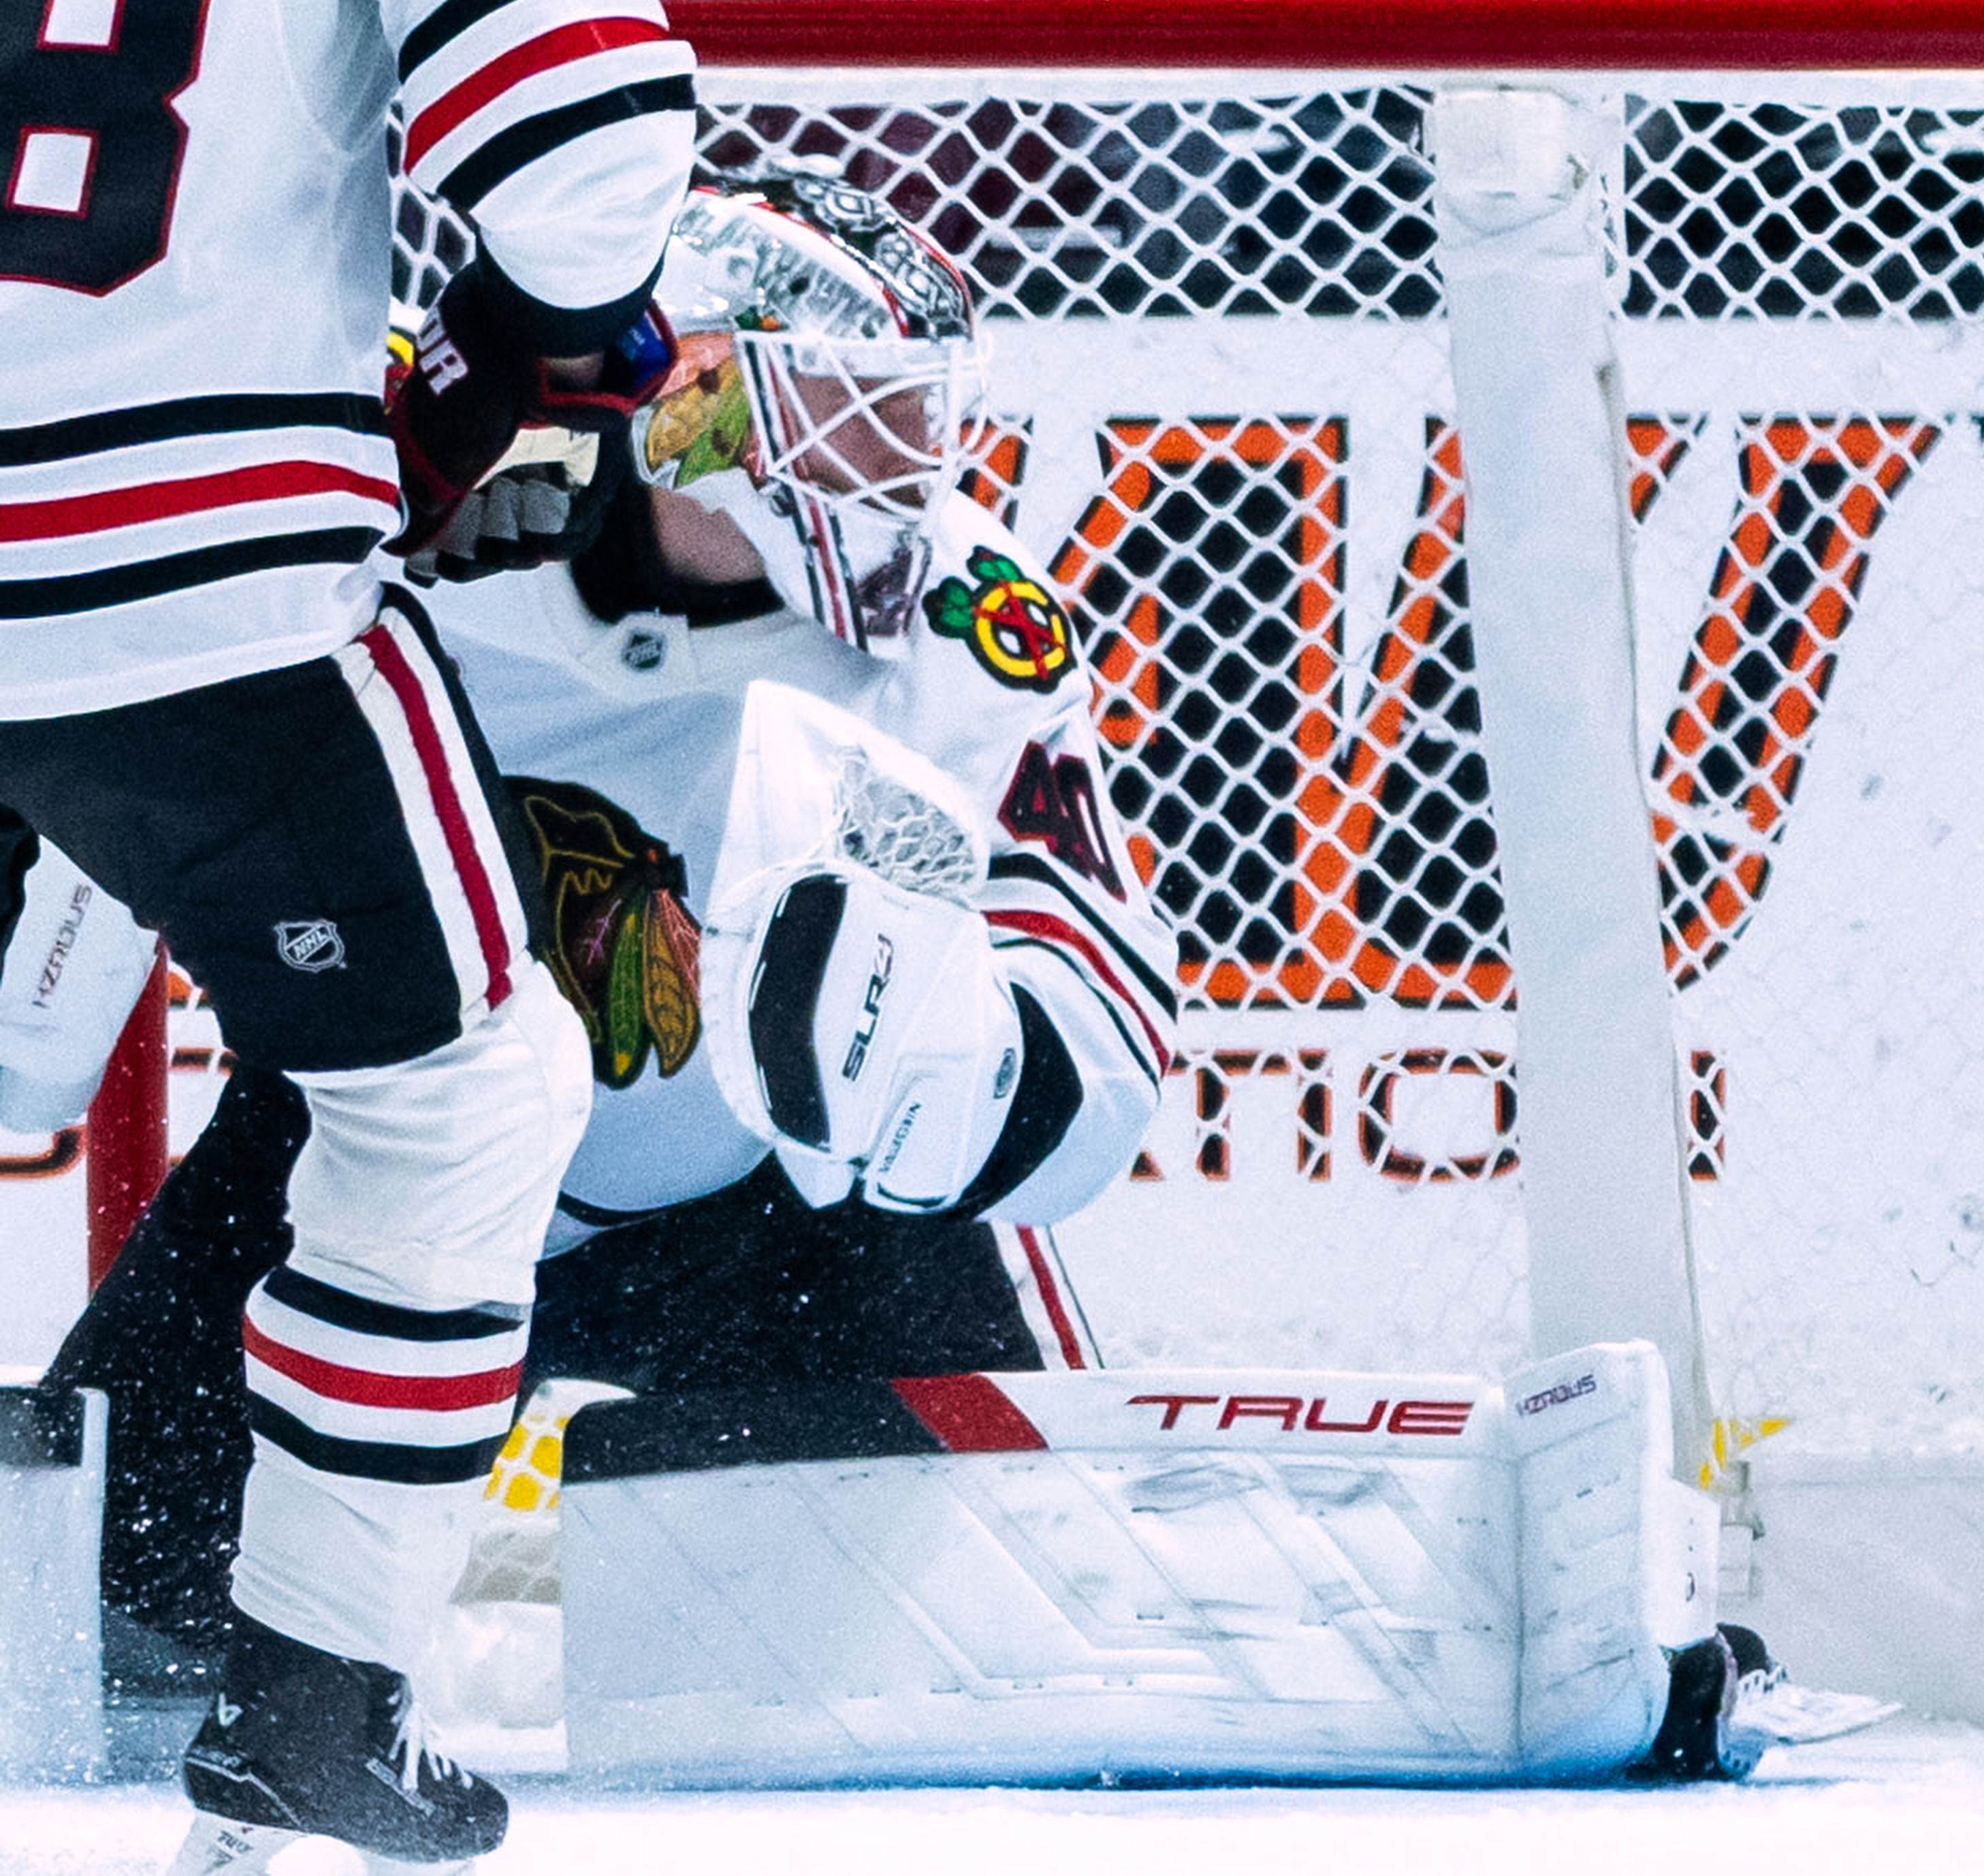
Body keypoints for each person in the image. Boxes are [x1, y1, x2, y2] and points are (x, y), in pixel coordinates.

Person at [36, 170, 1177, 1729]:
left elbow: (1108, 1023)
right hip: (380, 1150)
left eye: (927, 422)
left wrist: (957, 1069)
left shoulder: (968, 626)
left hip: (783, 1216)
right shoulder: (409, 521)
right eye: (859, 416)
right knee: (85, 1614)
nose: (910, 474)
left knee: (1025, 1649)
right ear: (697, 393)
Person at [0, 0, 694, 1859]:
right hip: (194, 577)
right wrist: (503, 342)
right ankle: (313, 1694)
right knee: (464, 1094)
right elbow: (587, 136)